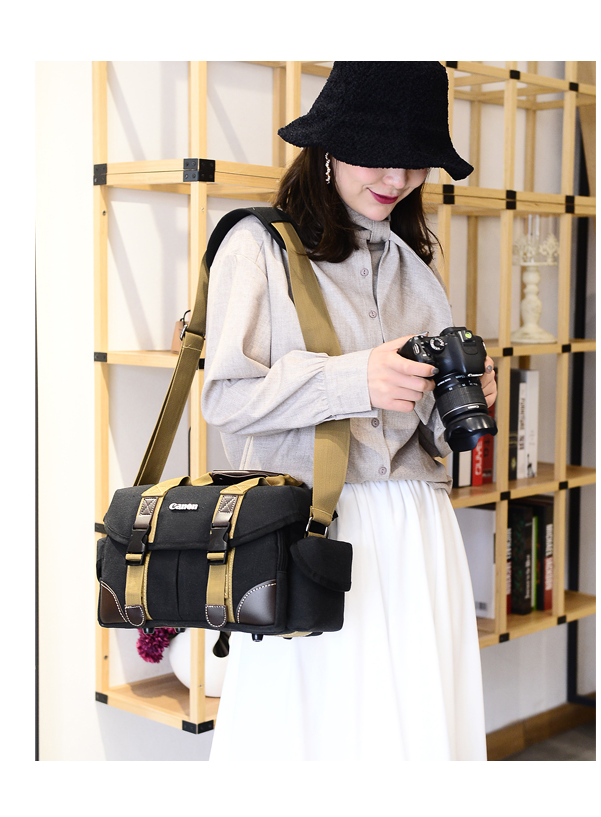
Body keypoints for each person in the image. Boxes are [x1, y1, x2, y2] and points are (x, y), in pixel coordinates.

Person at [201, 62, 497, 762]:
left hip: (416, 532)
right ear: (328, 148)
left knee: (413, 738)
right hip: (311, 529)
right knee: (314, 741)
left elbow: (417, 429)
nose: (398, 178)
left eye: (415, 161)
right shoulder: (258, 246)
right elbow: (225, 397)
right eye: (377, 155)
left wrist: (460, 400)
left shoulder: (414, 268)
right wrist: (353, 378)